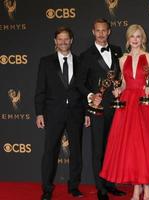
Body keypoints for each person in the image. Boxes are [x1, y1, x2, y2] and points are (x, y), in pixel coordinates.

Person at [99, 24, 149, 200]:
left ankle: (147, 188)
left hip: (145, 102)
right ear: (128, 39)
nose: (135, 40)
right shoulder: (122, 59)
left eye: (138, 37)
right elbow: (125, 83)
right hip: (127, 104)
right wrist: (118, 91)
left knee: (146, 147)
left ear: (143, 39)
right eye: (132, 37)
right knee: (132, 148)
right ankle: (136, 188)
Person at [76, 18, 125, 200]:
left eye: (104, 30)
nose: (101, 34)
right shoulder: (85, 55)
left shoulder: (118, 51)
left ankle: (111, 184)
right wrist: (91, 97)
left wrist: (120, 89)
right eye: (98, 31)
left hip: (116, 107)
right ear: (93, 32)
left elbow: (121, 77)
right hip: (97, 108)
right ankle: (100, 188)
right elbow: (79, 84)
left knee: (113, 148)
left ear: (109, 31)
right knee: (98, 150)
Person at [35, 27, 86, 200]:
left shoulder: (80, 62)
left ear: (71, 40)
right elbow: (40, 89)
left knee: (76, 152)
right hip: (53, 113)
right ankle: (47, 190)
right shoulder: (46, 62)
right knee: (50, 152)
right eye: (60, 39)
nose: (63, 42)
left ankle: (74, 187)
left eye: (66, 39)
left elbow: (85, 90)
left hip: (76, 113)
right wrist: (39, 113)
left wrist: (86, 112)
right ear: (55, 41)